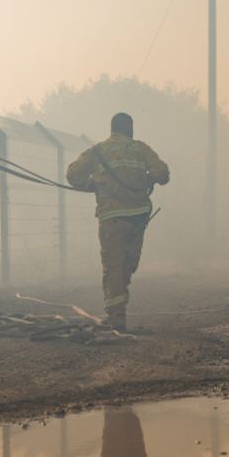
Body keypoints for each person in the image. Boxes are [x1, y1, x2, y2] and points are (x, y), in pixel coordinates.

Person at [66, 112, 169, 332]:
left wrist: (94, 184)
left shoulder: (98, 151)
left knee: (113, 266)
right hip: (137, 218)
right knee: (127, 265)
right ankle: (118, 311)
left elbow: (73, 175)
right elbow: (163, 173)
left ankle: (116, 317)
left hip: (112, 218)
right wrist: (148, 178)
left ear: (112, 129)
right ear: (130, 129)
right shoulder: (141, 149)